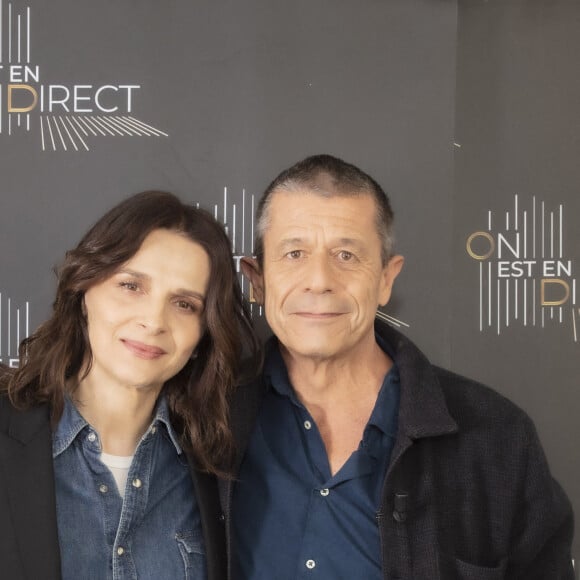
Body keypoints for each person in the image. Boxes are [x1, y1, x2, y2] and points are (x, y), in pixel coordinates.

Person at [223, 155, 575, 579]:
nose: (319, 279)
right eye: (294, 253)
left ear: (387, 279)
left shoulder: (497, 437)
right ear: (257, 280)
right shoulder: (208, 416)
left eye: (346, 255)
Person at [0, 191, 258, 580]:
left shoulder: (218, 469)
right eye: (131, 286)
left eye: (184, 304)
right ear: (84, 291)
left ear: (204, 333)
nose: (154, 320)